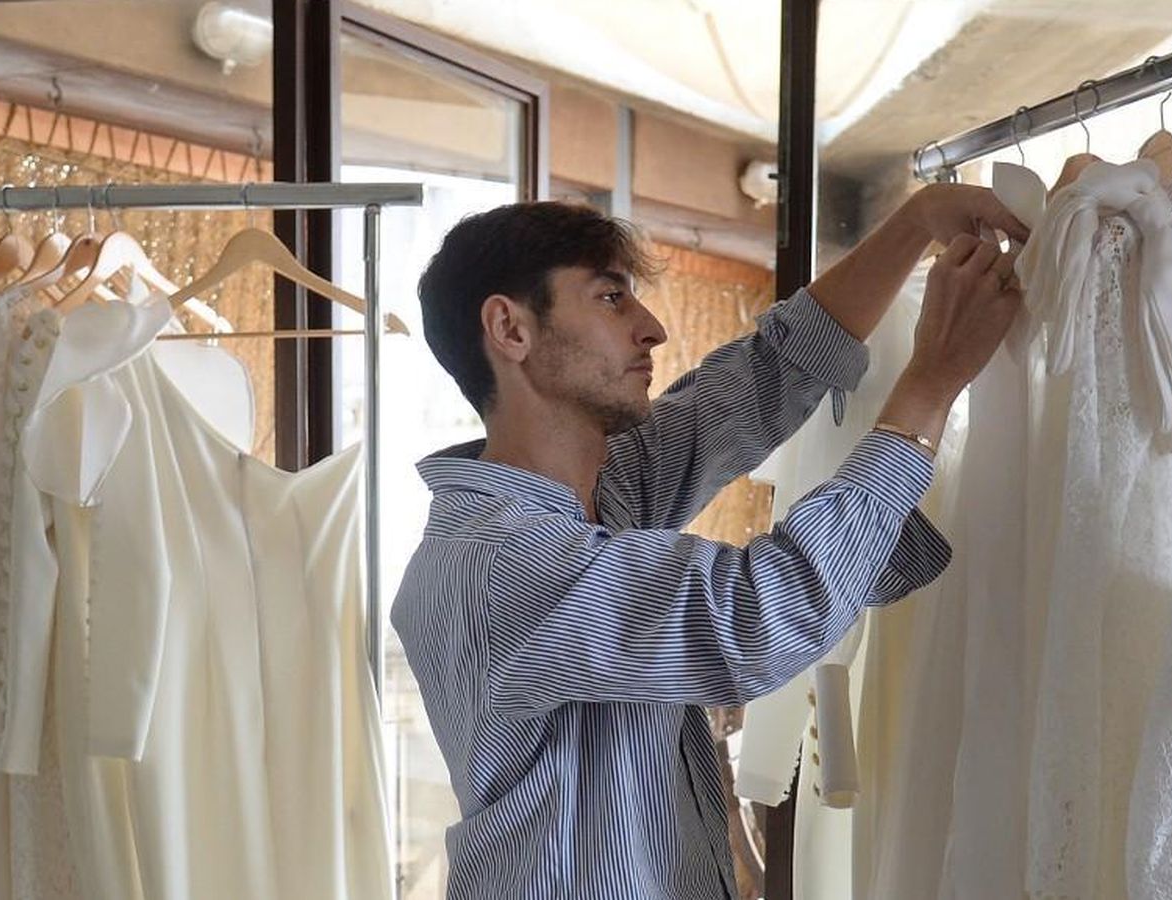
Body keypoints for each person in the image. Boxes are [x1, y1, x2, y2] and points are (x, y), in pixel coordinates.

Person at [391, 185, 1026, 898]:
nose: (652, 328)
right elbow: (761, 615)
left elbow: (768, 375)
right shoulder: (500, 560)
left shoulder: (603, 491)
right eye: (610, 298)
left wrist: (916, 220)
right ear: (510, 330)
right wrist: (933, 380)